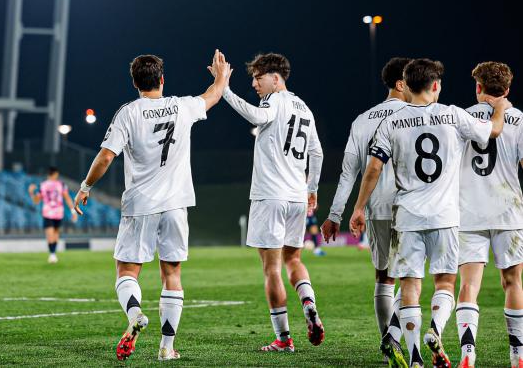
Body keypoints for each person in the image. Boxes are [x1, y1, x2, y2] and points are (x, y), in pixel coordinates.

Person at [349, 58, 510, 368]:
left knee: (409, 287)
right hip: (445, 217)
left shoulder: (390, 123)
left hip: (407, 216)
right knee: (446, 284)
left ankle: (414, 358)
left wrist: (358, 208)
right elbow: (493, 131)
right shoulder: (452, 115)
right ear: (436, 85)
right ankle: (436, 328)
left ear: (406, 87)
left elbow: (373, 168)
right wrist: (500, 107)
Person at [73, 50, 231, 361]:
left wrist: (85, 187)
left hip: (141, 204)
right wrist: (221, 76)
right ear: (162, 79)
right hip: (176, 204)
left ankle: (134, 316)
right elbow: (212, 96)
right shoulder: (181, 106)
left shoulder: (128, 113)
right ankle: (167, 348)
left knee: (127, 271)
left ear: (135, 83)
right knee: (172, 273)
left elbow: (106, 156)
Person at [216, 52, 324, 352]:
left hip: (270, 196)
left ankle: (284, 338)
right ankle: (309, 305)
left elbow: (256, 116)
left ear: (276, 78)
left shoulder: (274, 101)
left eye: (258, 77)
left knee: (272, 269)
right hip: (296, 198)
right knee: (294, 260)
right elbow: (317, 153)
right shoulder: (305, 108)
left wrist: (223, 88)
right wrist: (311, 188)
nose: (254, 83)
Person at [320, 57, 412, 366]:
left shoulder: (362, 120)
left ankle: (389, 346)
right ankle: (397, 341)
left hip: (377, 208)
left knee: (384, 278)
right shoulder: (416, 115)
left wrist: (335, 215)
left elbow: (348, 172)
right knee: (412, 279)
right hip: (413, 206)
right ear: (401, 83)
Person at [455, 62, 523, 368]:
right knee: (513, 282)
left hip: (469, 211)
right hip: (509, 210)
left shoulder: (461, 117)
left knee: (469, 285)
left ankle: (468, 353)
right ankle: (518, 355)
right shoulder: (519, 119)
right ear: (507, 90)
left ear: (478, 87)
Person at [29, 167, 78, 264]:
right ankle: (52, 254)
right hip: (56, 213)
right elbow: (67, 198)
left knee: (52, 234)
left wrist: (31, 193)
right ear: (55, 174)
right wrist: (73, 211)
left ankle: (52, 254)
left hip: (51, 212)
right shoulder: (61, 185)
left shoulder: (42, 185)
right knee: (54, 234)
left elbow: (36, 200)